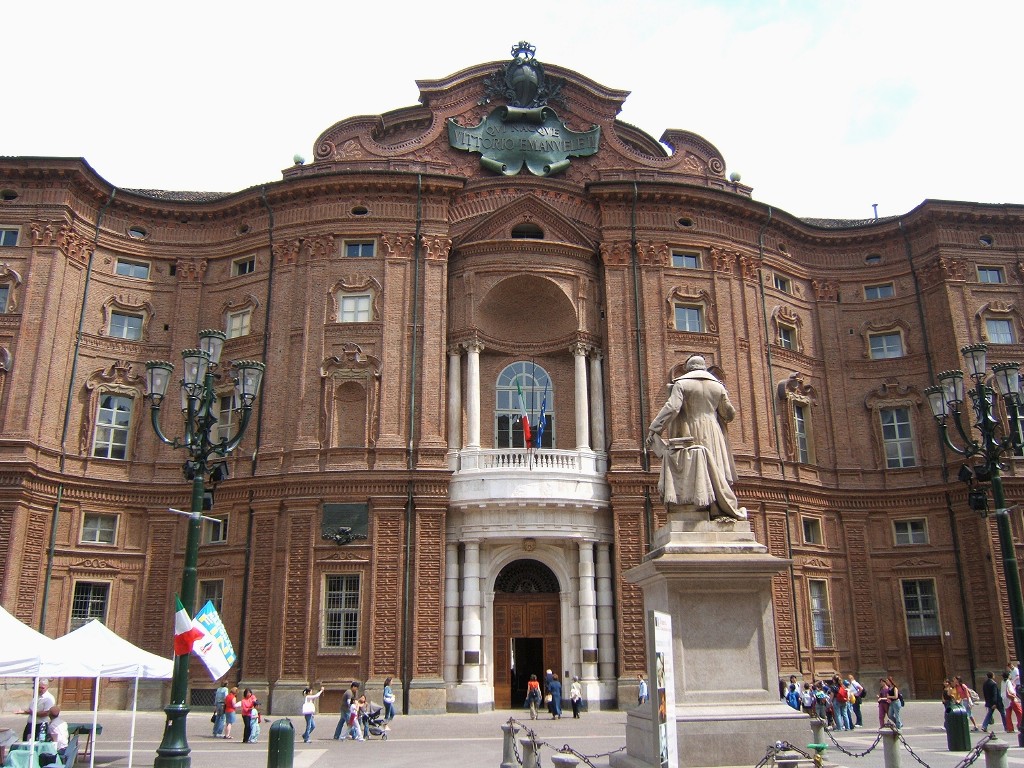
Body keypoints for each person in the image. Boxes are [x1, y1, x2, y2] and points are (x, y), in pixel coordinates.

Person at [647, 355, 746, 520]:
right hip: (714, 431)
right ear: (703, 367)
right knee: (717, 471)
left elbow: (672, 408)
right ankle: (718, 509)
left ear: (688, 368)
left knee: (698, 469)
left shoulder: (682, 384)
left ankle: (699, 509)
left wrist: (655, 428)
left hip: (691, 430)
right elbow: (729, 414)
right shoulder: (718, 386)